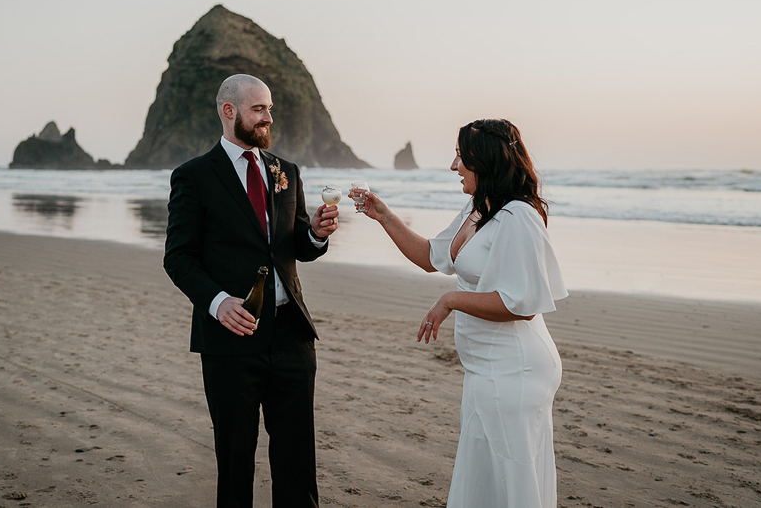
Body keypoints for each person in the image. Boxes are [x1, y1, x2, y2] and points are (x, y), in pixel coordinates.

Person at [353, 118, 567, 508]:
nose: (454, 167)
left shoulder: (519, 217)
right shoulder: (478, 207)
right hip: (484, 368)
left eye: (460, 157)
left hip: (515, 369)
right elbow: (431, 257)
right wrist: (382, 214)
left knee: (513, 481)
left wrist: (451, 300)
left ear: (483, 160)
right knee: (483, 478)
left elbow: (520, 304)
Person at [164, 73, 339, 508]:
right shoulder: (194, 177)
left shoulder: (286, 172)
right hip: (231, 338)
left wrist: (315, 234)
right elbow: (178, 257)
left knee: (298, 459)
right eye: (258, 109)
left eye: (270, 109)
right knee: (236, 460)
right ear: (230, 111)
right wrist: (218, 303)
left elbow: (295, 245)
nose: (268, 117)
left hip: (292, 337)